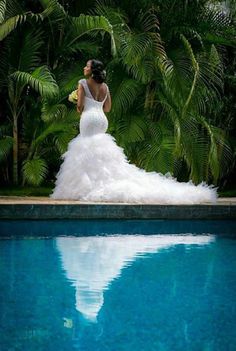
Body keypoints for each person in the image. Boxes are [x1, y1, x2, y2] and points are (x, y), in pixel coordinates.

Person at [51, 59, 217, 203]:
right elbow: (108, 108)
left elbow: (80, 107)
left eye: (86, 66)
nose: (84, 68)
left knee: (86, 149)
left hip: (88, 119)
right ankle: (102, 180)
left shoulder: (82, 83)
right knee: (100, 150)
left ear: (92, 70)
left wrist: (75, 100)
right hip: (102, 119)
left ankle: (91, 184)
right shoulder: (105, 87)